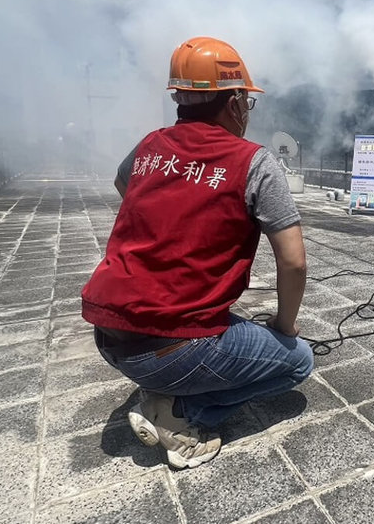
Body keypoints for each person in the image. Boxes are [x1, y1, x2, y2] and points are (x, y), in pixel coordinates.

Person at [81, 36, 313, 469]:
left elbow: (122, 184)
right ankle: (183, 415)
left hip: (110, 334)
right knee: (297, 362)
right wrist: (284, 324)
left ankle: (167, 388)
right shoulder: (254, 162)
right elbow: (294, 260)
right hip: (169, 347)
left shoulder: (151, 147)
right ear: (234, 102)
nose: (247, 112)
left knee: (227, 327)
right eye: (246, 102)